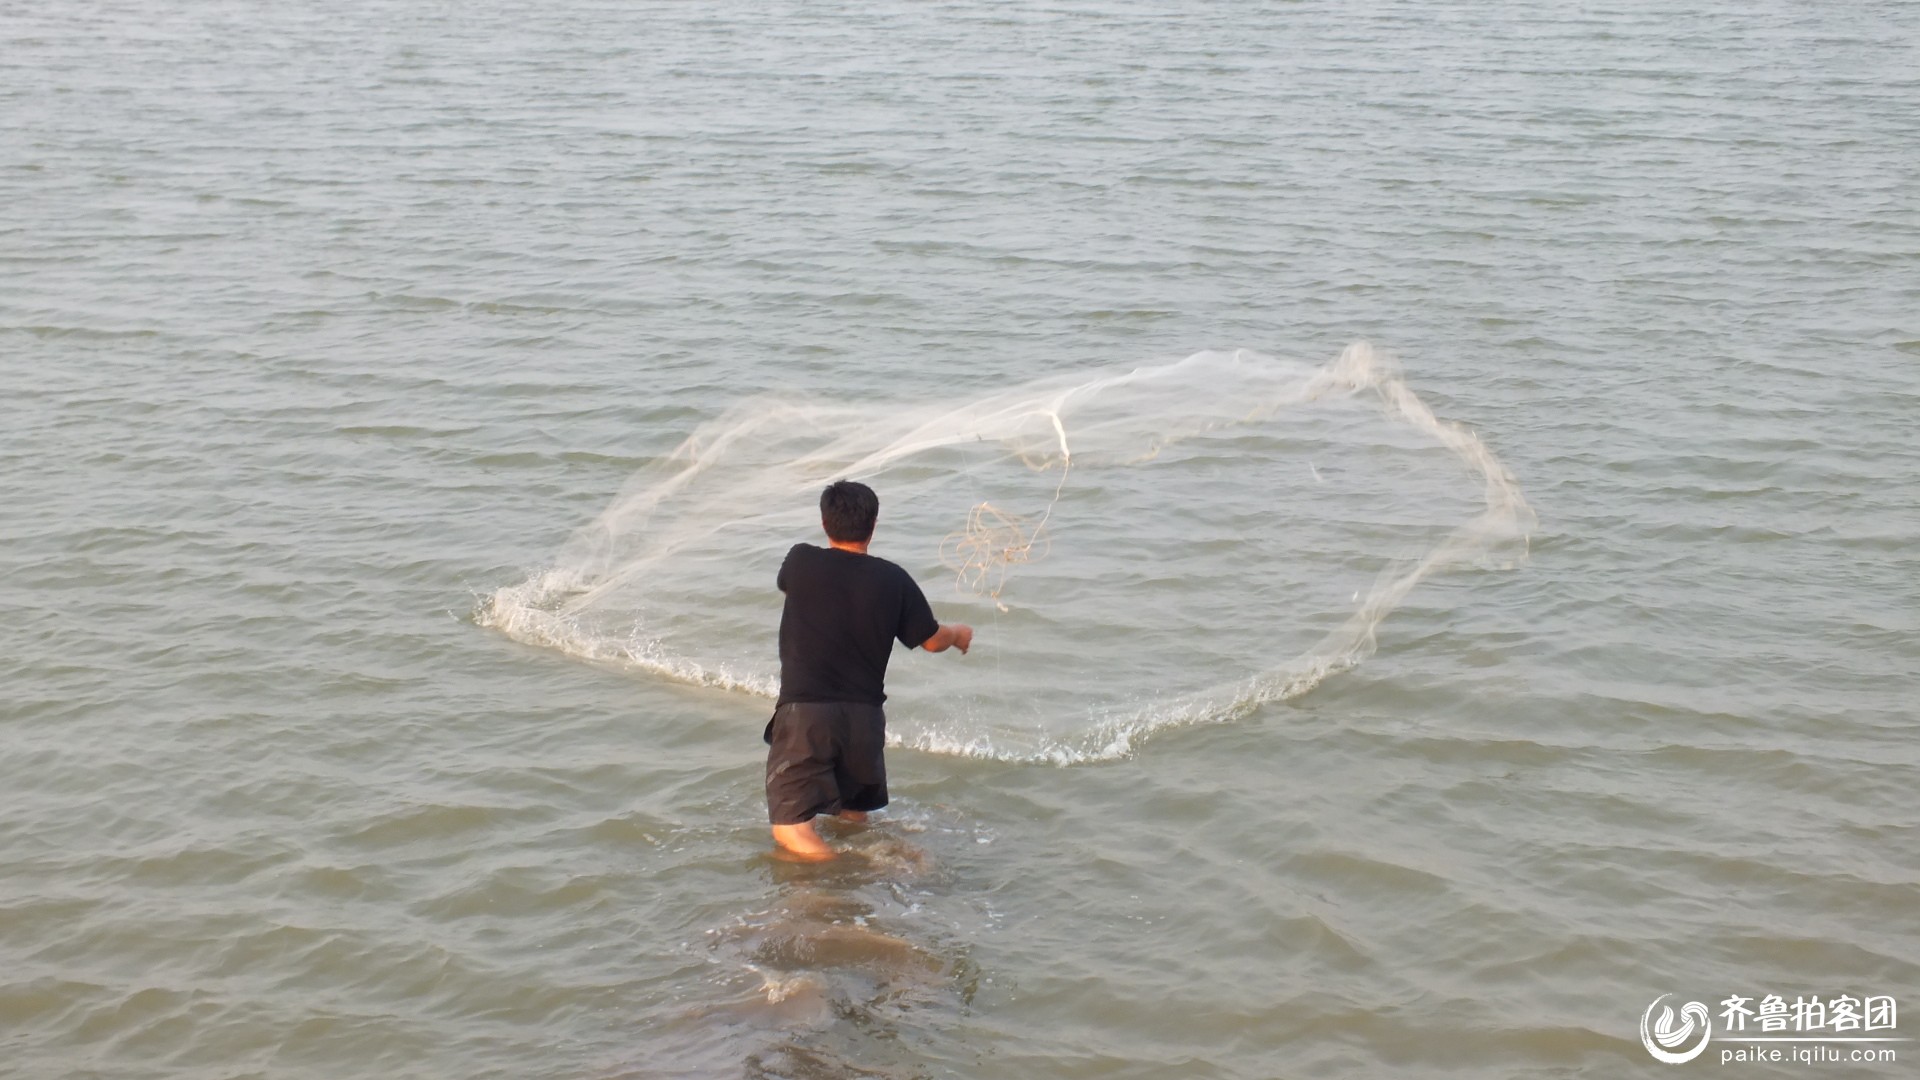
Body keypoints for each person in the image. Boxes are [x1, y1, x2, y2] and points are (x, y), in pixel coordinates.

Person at [764, 480, 973, 860]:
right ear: (874, 525)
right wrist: (958, 634)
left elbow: (788, 586)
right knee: (852, 819)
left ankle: (846, 871)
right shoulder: (894, 579)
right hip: (864, 722)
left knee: (791, 830)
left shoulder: (800, 561)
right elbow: (930, 640)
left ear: (824, 522)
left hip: (807, 714)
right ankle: (880, 869)